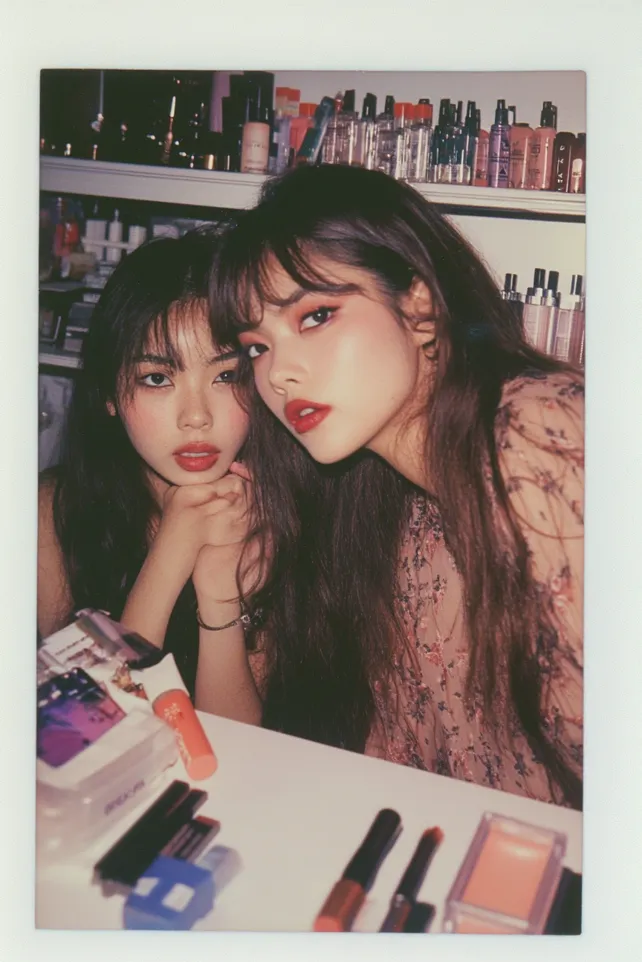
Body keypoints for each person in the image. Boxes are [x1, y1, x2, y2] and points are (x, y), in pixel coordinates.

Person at [209, 164, 584, 809]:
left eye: (316, 315)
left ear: (420, 306)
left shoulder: (537, 436)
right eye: (256, 347)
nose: (280, 374)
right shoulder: (397, 514)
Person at [38, 230, 263, 723]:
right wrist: (171, 553)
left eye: (226, 376)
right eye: (158, 378)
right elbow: (89, 729)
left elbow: (238, 743)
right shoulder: (53, 513)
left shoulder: (274, 516)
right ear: (110, 394)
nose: (196, 417)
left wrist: (220, 595)